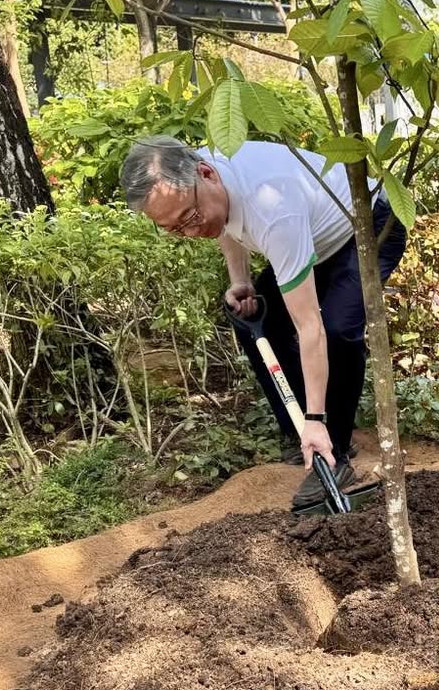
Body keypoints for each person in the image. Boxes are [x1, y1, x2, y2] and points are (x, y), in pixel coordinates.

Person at [120, 136, 406, 510]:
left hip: (367, 227)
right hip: (315, 240)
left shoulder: (272, 208)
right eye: (175, 227)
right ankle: (301, 430)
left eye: (190, 217)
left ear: (206, 174)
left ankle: (332, 448)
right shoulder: (200, 177)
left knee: (338, 330)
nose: (190, 231)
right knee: (257, 320)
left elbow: (310, 328)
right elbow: (223, 221)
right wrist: (240, 280)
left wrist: (317, 417)